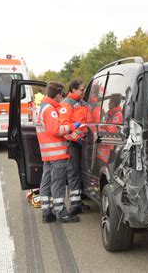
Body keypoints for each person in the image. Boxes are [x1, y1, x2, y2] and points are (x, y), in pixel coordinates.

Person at [36, 81, 81, 223]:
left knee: (46, 181)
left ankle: (46, 212)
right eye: (62, 95)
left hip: (47, 152)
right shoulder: (49, 109)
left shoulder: (40, 108)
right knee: (58, 183)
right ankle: (61, 213)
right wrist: (72, 126)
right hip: (57, 152)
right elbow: (56, 130)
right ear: (58, 94)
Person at [59, 80, 88, 216]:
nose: (83, 92)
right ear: (73, 89)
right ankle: (75, 204)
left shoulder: (82, 102)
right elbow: (65, 126)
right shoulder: (66, 103)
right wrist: (76, 137)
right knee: (73, 172)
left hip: (85, 142)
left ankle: (80, 200)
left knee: (82, 172)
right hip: (73, 143)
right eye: (81, 89)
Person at [97, 94, 123, 164]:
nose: (108, 103)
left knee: (101, 169)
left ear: (113, 104)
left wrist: (99, 130)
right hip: (103, 146)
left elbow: (111, 131)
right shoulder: (110, 114)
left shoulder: (117, 115)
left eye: (109, 102)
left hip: (106, 148)